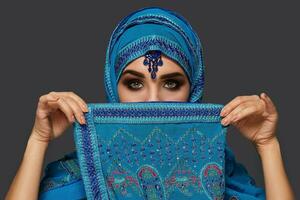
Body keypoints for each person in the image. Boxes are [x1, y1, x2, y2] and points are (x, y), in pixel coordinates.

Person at [5, 6, 294, 200]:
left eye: (171, 83)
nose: (153, 100)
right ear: (113, 87)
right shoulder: (78, 173)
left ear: (192, 89)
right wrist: (38, 140)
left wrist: (268, 147)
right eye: (134, 84)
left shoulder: (221, 172)